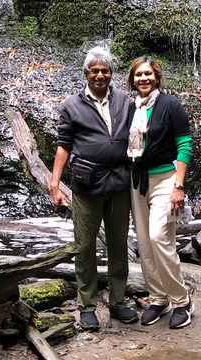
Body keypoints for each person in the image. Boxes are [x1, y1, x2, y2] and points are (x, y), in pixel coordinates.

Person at [49, 46, 138, 331]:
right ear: (86, 74)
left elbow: (138, 136)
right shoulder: (71, 106)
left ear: (111, 74)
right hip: (86, 185)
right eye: (95, 71)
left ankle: (118, 302)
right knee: (85, 246)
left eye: (105, 71)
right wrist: (55, 183)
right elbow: (63, 145)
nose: (100, 75)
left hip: (119, 183)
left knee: (119, 245)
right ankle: (87, 306)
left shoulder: (125, 101)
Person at [126, 56, 194, 328]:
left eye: (148, 74)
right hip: (137, 180)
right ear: (133, 80)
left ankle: (182, 301)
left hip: (165, 180)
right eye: (138, 75)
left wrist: (179, 186)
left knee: (159, 237)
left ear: (156, 77)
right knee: (144, 242)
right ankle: (158, 298)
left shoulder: (170, 105)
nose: (143, 78)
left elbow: (185, 145)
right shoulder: (131, 107)